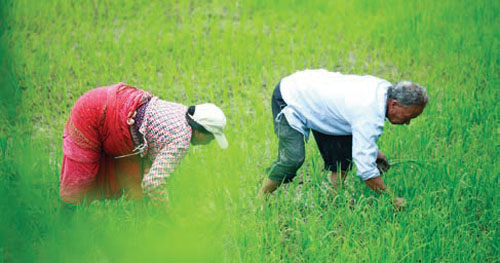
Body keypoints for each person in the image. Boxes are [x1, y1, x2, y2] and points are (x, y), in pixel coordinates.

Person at [258, 69, 429, 207]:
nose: (407, 123)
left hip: (322, 104)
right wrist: (393, 199)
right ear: (394, 104)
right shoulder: (370, 112)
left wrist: (374, 153)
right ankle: (260, 200)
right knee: (292, 159)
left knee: (343, 155)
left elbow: (358, 129)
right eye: (408, 116)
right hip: (292, 97)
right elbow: (366, 171)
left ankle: (333, 202)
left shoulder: (385, 92)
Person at [60, 83, 228, 203]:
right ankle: (64, 223)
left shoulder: (181, 111)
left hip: (107, 100)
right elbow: (153, 184)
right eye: (211, 137)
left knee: (135, 182)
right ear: (200, 131)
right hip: (94, 114)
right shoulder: (181, 141)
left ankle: (136, 220)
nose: (210, 142)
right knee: (80, 179)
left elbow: (149, 168)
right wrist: (171, 216)